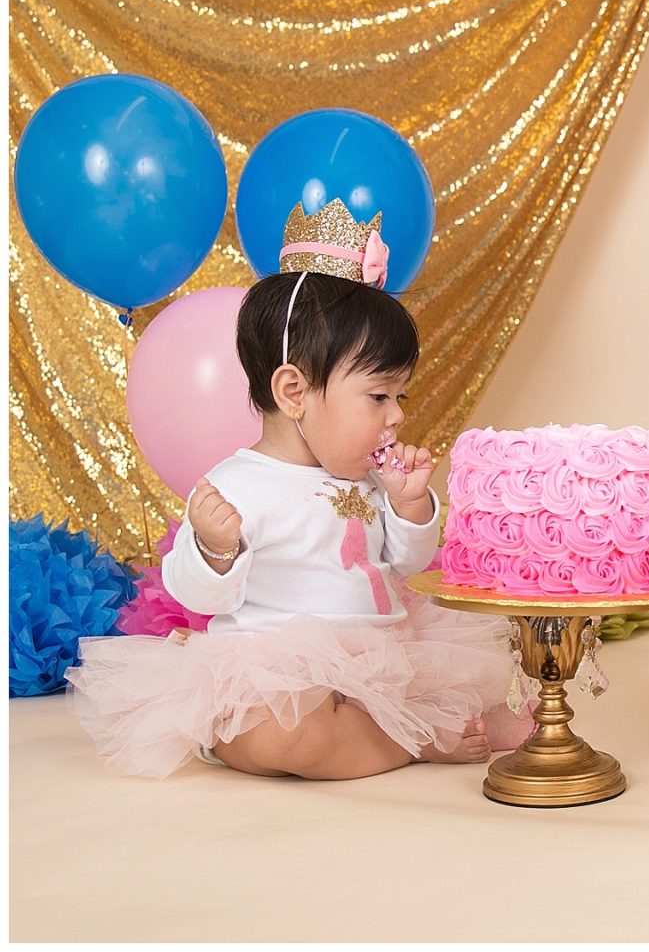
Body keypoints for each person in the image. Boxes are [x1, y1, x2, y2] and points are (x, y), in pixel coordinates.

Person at [69, 199, 528, 779]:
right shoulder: (238, 485)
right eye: (378, 396)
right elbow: (200, 597)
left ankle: (393, 723)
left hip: (383, 659)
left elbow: (404, 565)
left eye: (399, 397)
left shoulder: (367, 478)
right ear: (293, 392)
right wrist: (214, 549)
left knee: (497, 701)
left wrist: (410, 504)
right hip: (279, 674)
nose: (396, 417)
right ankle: (411, 741)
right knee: (283, 734)